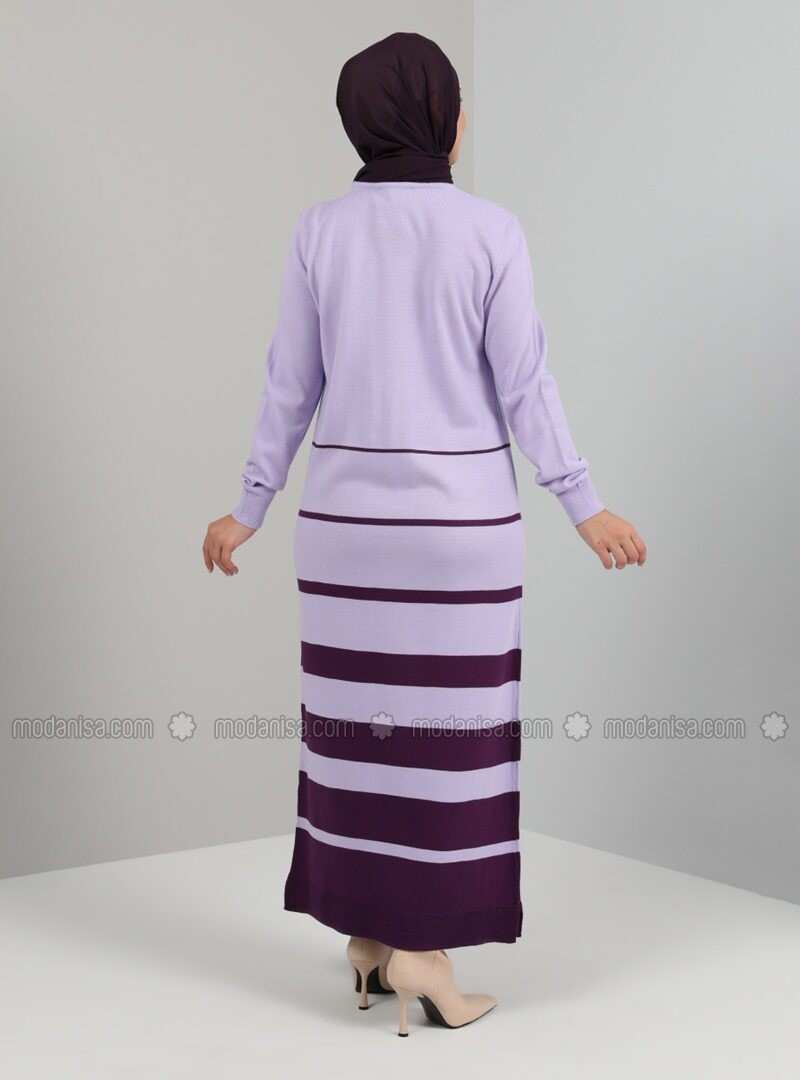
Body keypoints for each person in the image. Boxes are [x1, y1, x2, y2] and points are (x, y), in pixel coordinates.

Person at [203, 31, 646, 1037]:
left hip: (344, 538)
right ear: (444, 117)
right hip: (458, 535)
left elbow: (289, 385)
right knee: (450, 745)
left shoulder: (319, 232)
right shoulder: (489, 231)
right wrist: (581, 502)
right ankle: (425, 954)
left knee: (356, 737)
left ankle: (368, 933)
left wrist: (250, 505)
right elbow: (524, 383)